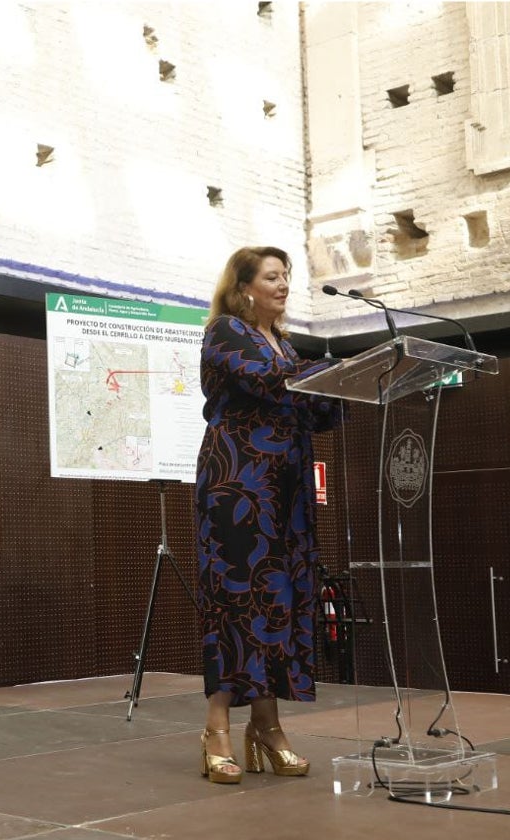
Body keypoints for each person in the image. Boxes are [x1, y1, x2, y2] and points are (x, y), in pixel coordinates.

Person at [194, 245, 340, 784]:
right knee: (237, 599)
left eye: (287, 276)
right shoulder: (226, 331)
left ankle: (267, 726)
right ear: (244, 287)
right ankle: (216, 728)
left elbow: (319, 408)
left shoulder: (286, 343)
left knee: (278, 602)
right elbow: (266, 382)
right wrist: (327, 373)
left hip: (286, 491)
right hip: (238, 486)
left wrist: (344, 380)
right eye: (272, 277)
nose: (283, 285)